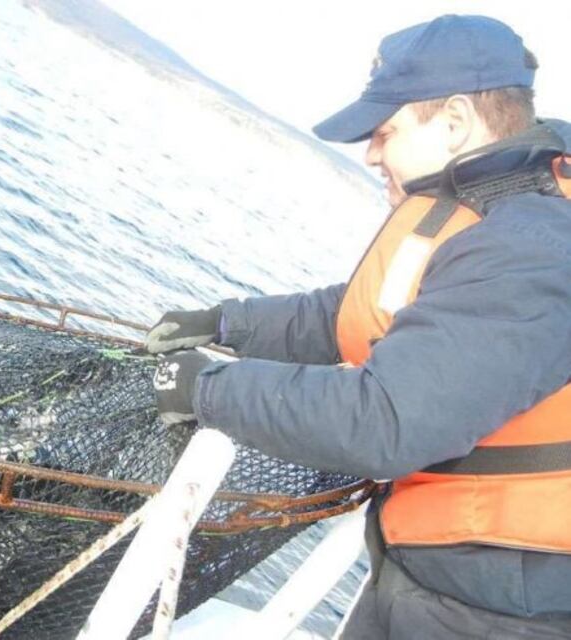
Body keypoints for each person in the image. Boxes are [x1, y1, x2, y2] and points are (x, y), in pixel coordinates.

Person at [148, 14, 571, 639]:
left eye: (386, 131)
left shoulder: (533, 250)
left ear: (456, 122)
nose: (372, 152)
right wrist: (224, 322)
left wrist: (204, 390)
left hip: (500, 613)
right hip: (440, 578)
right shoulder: (494, 214)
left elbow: (386, 421)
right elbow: (354, 313)